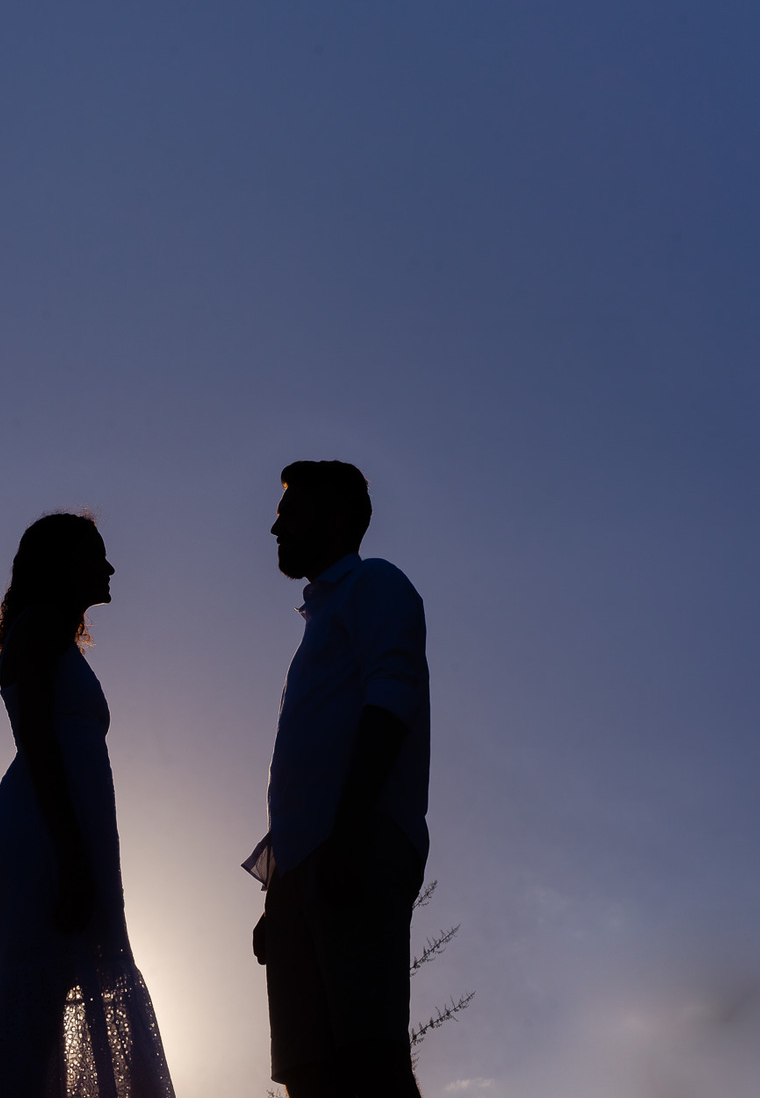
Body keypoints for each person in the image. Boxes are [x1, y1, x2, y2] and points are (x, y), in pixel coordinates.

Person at [0, 511, 176, 1098]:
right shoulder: (39, 624)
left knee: (34, 1001)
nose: (110, 567)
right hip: (43, 830)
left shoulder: (52, 634)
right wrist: (71, 855)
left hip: (55, 827)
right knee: (28, 1000)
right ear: (64, 564)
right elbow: (38, 738)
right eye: (96, 554)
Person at [244, 461, 430, 1098]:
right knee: (307, 1073)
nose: (275, 526)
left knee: (369, 1059)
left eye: (289, 511)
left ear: (336, 517)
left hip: (354, 848)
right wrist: (280, 894)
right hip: (306, 870)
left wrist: (347, 838)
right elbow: (305, 768)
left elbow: (390, 702)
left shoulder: (375, 585)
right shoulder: (319, 620)